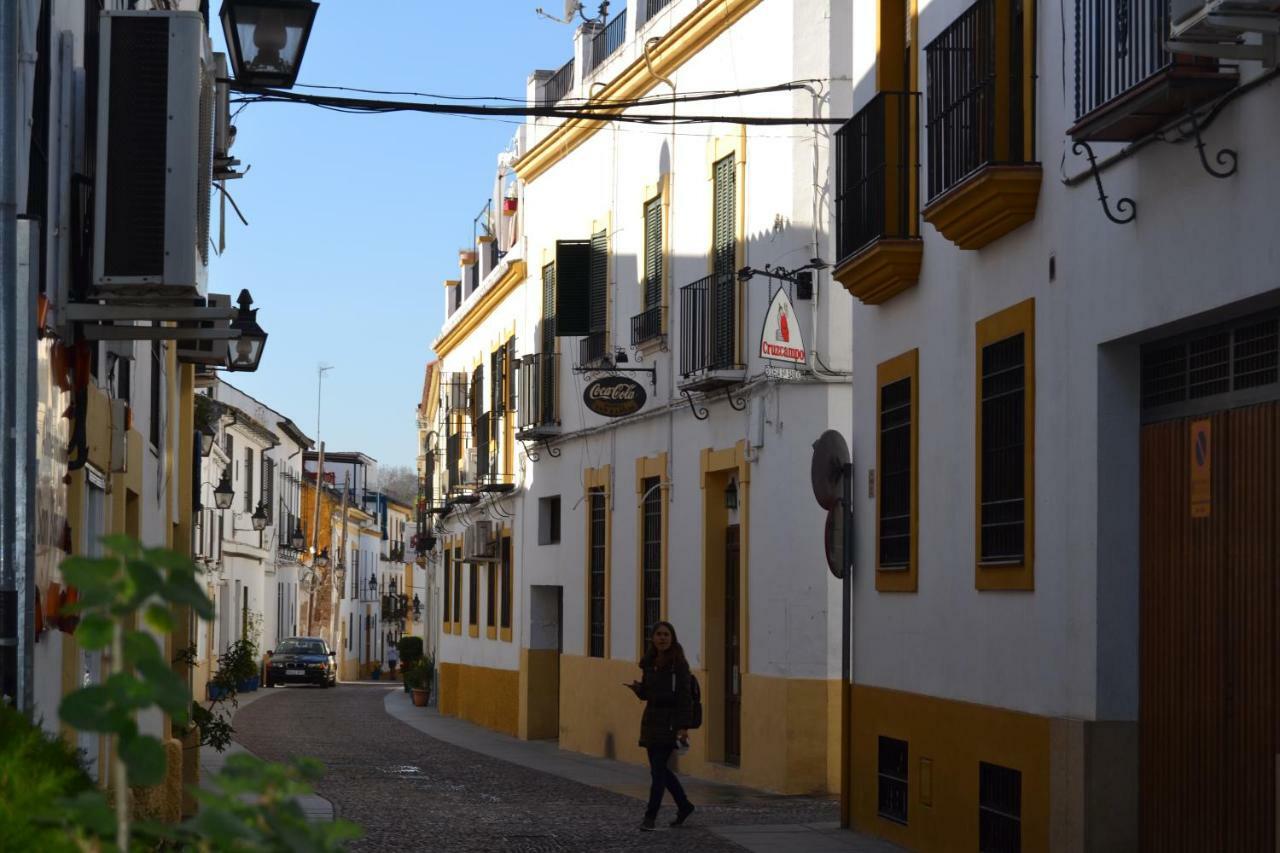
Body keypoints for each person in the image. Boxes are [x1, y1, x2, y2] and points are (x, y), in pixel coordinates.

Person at [626, 621, 695, 831]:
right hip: (651, 720)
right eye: (659, 634)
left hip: (670, 721)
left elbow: (685, 697)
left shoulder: (679, 665)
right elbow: (648, 692)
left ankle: (650, 817)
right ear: (653, 638)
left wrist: (683, 726)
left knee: (657, 772)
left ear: (672, 638)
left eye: (666, 634)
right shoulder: (649, 662)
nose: (662, 638)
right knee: (660, 770)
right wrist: (638, 690)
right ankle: (684, 806)